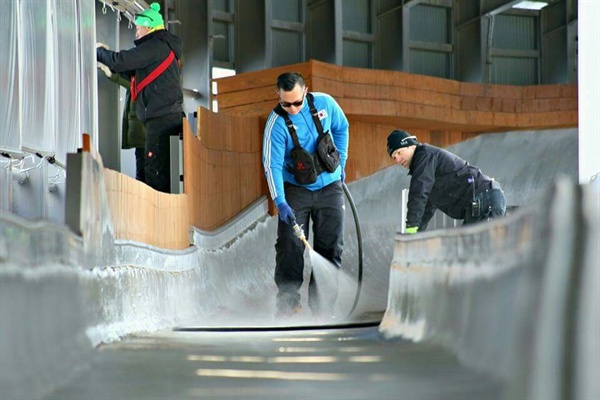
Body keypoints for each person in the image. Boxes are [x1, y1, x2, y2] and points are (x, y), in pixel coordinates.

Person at [262, 72, 349, 318]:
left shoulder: (325, 104)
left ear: (306, 91)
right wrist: (280, 201)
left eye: (297, 103)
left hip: (330, 187)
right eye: (285, 103)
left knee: (330, 247)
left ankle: (323, 311)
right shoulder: (276, 125)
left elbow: (342, 128)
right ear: (277, 97)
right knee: (290, 245)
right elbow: (272, 166)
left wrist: (341, 161)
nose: (292, 108)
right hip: (296, 191)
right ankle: (288, 306)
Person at [96, 2, 183, 193]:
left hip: (160, 119)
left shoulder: (154, 47)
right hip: (167, 117)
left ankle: (157, 220)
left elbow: (121, 61)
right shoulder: (164, 47)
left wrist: (99, 52)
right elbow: (140, 77)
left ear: (149, 27)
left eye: (139, 28)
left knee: (155, 174)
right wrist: (111, 70)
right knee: (156, 171)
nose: (136, 32)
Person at [387, 129, 506, 232]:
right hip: (481, 202)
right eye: (394, 157)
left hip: (484, 200)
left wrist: (411, 228)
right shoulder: (427, 167)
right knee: (466, 252)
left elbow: (419, 192)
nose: (397, 159)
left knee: (475, 252)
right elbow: (426, 207)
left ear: (411, 145)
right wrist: (416, 233)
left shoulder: (424, 154)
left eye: (399, 152)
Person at [98, 62, 146, 182]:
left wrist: (111, 73)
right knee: (143, 173)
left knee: (143, 174)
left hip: (144, 134)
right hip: (143, 133)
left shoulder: (144, 78)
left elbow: (130, 83)